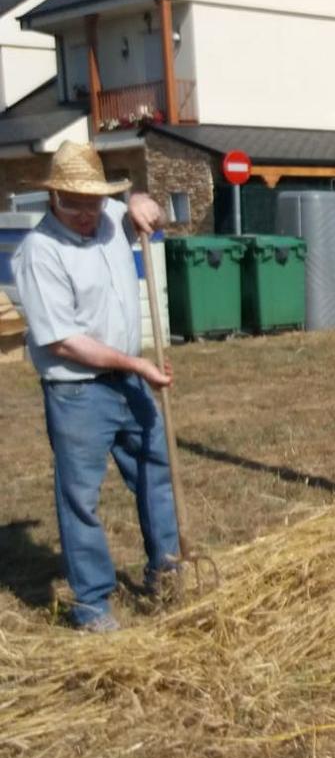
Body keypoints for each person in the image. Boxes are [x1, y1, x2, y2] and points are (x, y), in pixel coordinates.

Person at [9, 140, 178, 633]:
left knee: (155, 472)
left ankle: (165, 571)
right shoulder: (38, 254)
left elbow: (153, 216)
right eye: (73, 203)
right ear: (52, 198)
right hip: (78, 392)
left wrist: (148, 203)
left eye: (93, 202)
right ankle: (93, 604)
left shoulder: (110, 219)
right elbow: (62, 342)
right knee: (81, 497)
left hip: (129, 381)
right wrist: (137, 364)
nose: (86, 214)